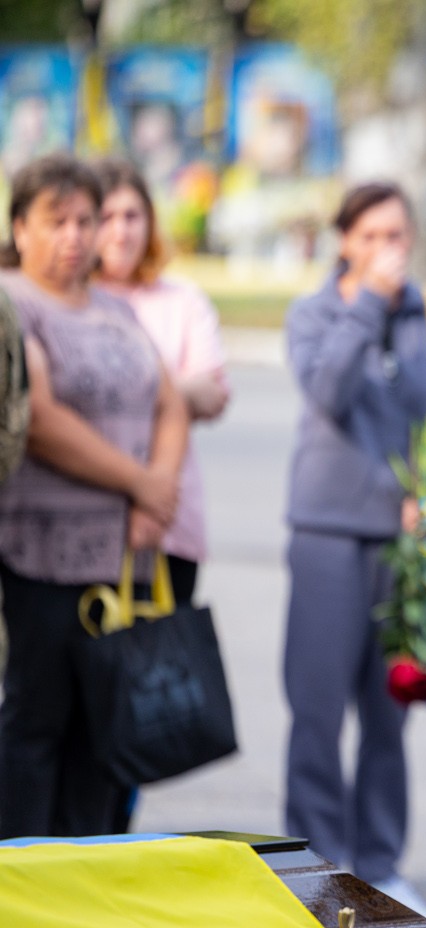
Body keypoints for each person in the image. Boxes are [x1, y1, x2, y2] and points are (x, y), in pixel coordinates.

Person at [281, 181, 426, 924]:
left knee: (391, 711)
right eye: (369, 236)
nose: (386, 250)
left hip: (407, 545)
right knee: (316, 708)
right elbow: (326, 392)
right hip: (328, 533)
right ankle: (315, 865)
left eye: (396, 235)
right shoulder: (318, 313)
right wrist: (366, 299)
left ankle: (381, 864)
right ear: (344, 242)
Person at [0, 154, 188, 837]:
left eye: (87, 220)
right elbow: (42, 419)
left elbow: (169, 401)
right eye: (58, 221)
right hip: (41, 551)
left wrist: (155, 493)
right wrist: (137, 481)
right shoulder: (13, 302)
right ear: (20, 227)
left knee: (101, 735)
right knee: (37, 722)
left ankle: (87, 888)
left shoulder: (112, 306)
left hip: (123, 555)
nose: (77, 236)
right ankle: (21, 888)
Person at [93, 158, 230, 605]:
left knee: (157, 663)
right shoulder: (70, 301)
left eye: (132, 216)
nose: (120, 231)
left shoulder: (181, 300)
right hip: (83, 522)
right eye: (105, 217)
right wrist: (173, 393)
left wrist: (137, 392)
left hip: (168, 522)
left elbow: (212, 394)